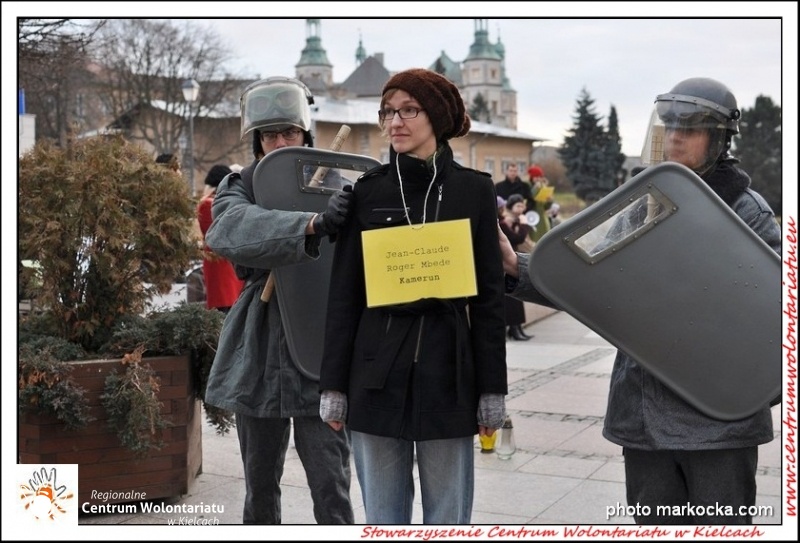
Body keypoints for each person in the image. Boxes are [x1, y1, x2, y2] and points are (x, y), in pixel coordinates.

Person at [499, 77, 781, 525]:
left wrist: (755, 390)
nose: (676, 137)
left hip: (718, 423)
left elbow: (771, 316)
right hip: (644, 417)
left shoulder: (748, 213)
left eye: (690, 128)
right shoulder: (645, 204)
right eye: (670, 126)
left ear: (719, 139)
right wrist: (517, 266)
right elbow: (590, 280)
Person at [318, 68, 507, 525]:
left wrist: (492, 389)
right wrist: (333, 385)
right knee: (383, 518)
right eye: (387, 112)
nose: (394, 122)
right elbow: (344, 296)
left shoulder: (474, 190)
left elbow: (488, 301)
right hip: (374, 375)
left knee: (449, 517)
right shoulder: (367, 192)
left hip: (450, 375)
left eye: (408, 110)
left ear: (435, 117)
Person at [203, 76, 354, 525]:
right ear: (258, 141)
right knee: (259, 487)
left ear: (305, 134)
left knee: (332, 485)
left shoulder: (339, 186)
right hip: (260, 347)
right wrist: (310, 225)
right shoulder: (241, 185)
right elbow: (227, 231)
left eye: (289, 132)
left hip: (319, 344)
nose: (281, 143)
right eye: (270, 135)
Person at [196, 164, 244, 313]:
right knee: (224, 302)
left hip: (225, 260)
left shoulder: (212, 202)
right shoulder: (208, 204)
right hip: (219, 261)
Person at [499, 194, 533, 341]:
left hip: (513, 259)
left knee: (517, 298)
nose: (521, 209)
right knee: (511, 299)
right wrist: (524, 225)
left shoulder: (510, 221)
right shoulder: (503, 222)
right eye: (518, 206)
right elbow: (517, 238)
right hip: (507, 263)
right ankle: (513, 329)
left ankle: (517, 328)